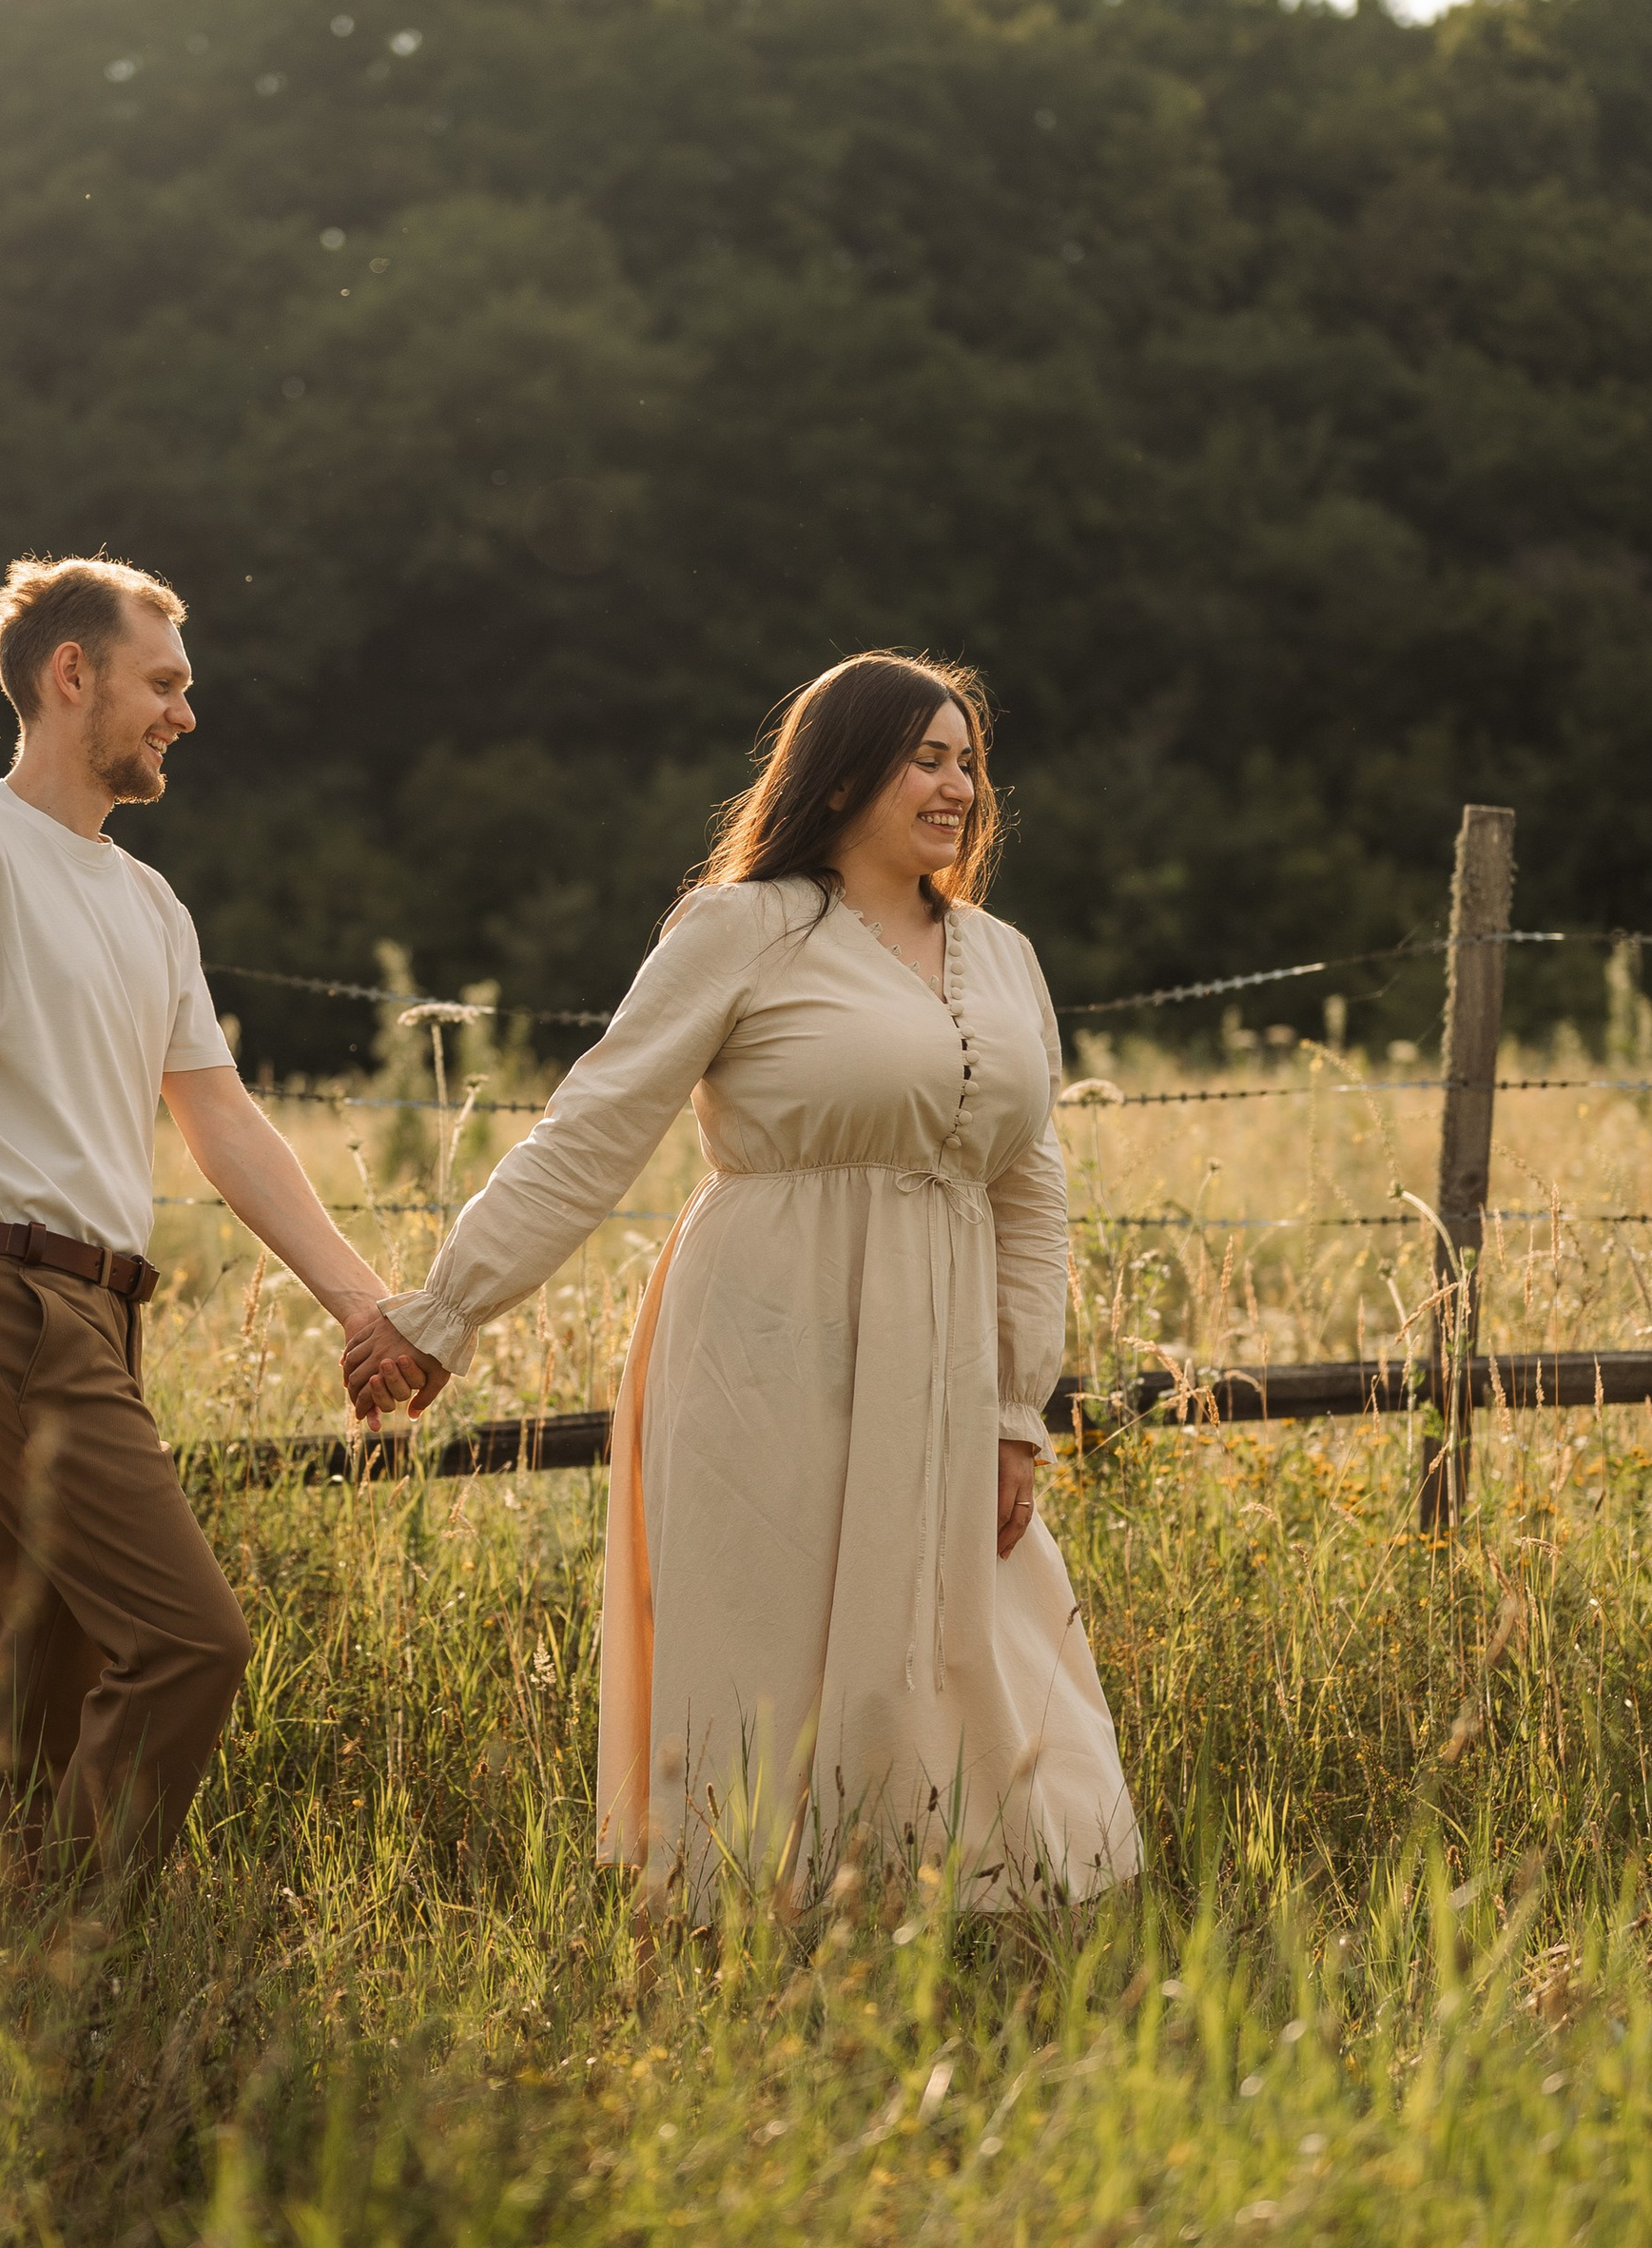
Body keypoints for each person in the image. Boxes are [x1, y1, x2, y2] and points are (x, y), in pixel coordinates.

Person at [342, 653, 1140, 1914]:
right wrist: (444, 1311)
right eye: (925, 759)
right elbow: (593, 1129)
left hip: (940, 1358)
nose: (958, 787)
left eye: (967, 763)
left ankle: (938, 1918)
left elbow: (1030, 1198)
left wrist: (1013, 1407)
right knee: (767, 1645)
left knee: (959, 1641)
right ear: (842, 777)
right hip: (764, 1340)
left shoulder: (1003, 957)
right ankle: (748, 1939)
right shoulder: (741, 929)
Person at [0, 554, 396, 1885]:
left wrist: (362, 1304)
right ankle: (78, 1940)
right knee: (189, 1641)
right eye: (162, 683)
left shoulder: (148, 902)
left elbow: (222, 1121)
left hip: (97, 1312)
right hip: (1, 1297)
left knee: (32, 1663)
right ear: (73, 674)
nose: (186, 712)